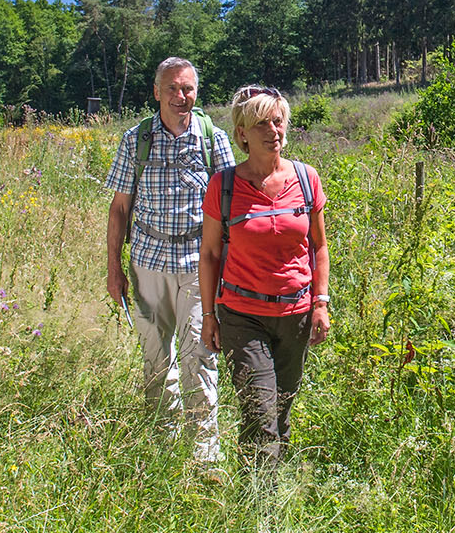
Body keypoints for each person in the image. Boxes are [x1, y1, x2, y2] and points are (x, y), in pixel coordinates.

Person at [103, 57, 235, 465]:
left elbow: (234, 206)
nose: (182, 97)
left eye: (188, 89)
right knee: (156, 359)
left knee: (200, 357)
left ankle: (203, 457)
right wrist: (114, 269)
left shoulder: (213, 138)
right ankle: (161, 445)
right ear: (157, 92)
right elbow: (120, 209)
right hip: (147, 262)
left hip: (200, 264)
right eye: (173, 89)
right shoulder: (136, 139)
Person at [199, 85, 331, 465]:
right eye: (262, 124)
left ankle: (273, 491)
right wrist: (209, 315)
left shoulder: (306, 178)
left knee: (282, 408)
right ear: (241, 133)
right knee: (259, 413)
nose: (274, 131)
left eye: (278, 121)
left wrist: (320, 303)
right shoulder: (223, 185)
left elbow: (318, 247)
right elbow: (209, 254)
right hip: (243, 315)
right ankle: (261, 506)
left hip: (296, 314)